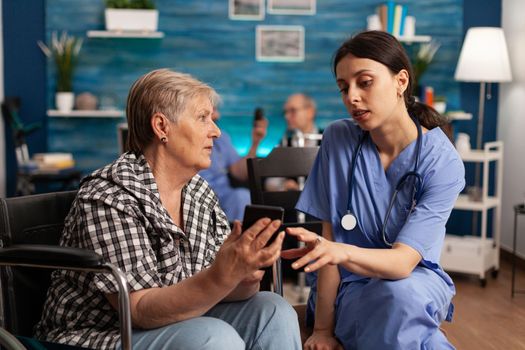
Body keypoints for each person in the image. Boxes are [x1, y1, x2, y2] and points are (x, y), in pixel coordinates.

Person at [34, 69, 301, 350]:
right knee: (213, 338)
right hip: (98, 334)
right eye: (202, 118)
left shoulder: (198, 190)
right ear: (162, 127)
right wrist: (221, 276)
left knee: (274, 310)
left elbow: (223, 289)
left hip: (174, 320)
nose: (216, 131)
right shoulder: (110, 195)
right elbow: (138, 310)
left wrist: (243, 275)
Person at [281, 31, 465, 349]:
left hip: (417, 282)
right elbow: (330, 245)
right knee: (415, 327)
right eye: (343, 87)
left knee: (401, 296)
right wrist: (323, 329)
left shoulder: (442, 162)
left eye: (364, 82)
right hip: (350, 287)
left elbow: (403, 263)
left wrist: (339, 252)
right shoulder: (339, 140)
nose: (352, 96)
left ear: (401, 81)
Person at [199, 107, 268, 221]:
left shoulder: (222, 138)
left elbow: (238, 172)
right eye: (212, 110)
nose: (217, 115)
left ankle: (239, 236)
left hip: (223, 196)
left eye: (215, 109)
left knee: (242, 196)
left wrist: (255, 142)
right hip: (198, 196)